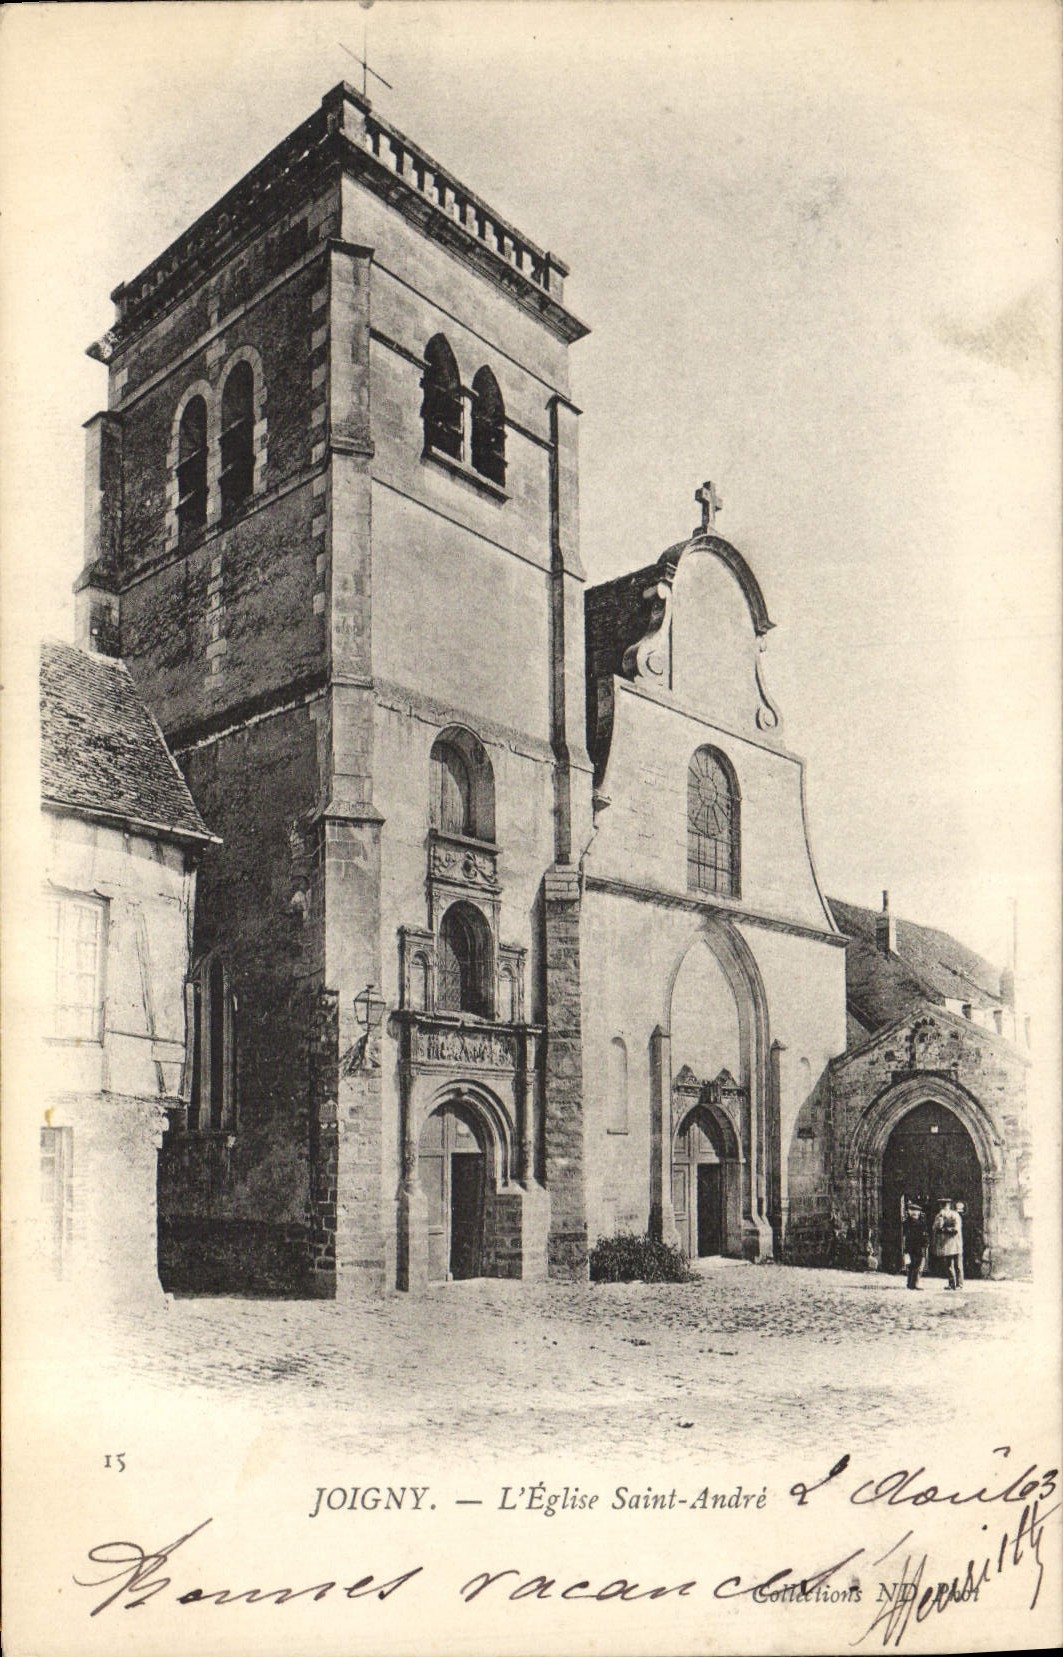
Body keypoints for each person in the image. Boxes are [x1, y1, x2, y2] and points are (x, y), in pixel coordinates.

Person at [932, 1197, 964, 1290]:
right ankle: (951, 1283)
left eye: (945, 1205)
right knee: (948, 1265)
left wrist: (944, 1230)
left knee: (958, 1265)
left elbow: (956, 1229)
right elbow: (935, 1228)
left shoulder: (955, 1215)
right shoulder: (939, 1216)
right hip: (946, 1244)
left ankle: (959, 1284)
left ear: (949, 1206)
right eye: (942, 1205)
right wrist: (939, 1222)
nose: (943, 1207)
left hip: (955, 1243)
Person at [901, 1199, 928, 1290]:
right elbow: (923, 1236)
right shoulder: (920, 1223)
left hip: (909, 1246)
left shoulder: (906, 1222)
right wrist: (925, 1243)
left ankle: (910, 1283)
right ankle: (915, 1283)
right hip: (918, 1247)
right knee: (918, 1265)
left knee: (911, 1265)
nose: (916, 1213)